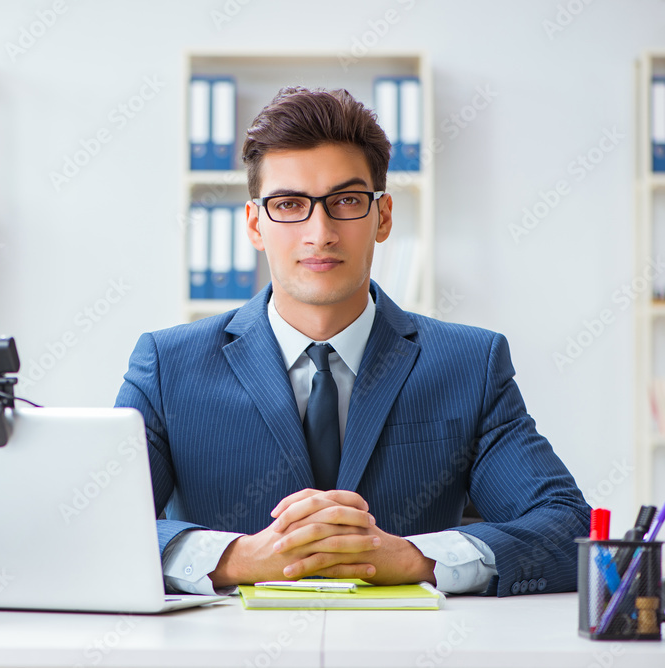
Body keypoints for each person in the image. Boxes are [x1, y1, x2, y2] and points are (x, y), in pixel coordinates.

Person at [115, 86, 590, 597]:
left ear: (382, 216)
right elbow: (103, 531)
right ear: (255, 223)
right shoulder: (168, 365)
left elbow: (568, 527)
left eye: (345, 201)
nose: (319, 232)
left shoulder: (469, 364)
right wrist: (238, 557)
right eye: (290, 204)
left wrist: (413, 557)